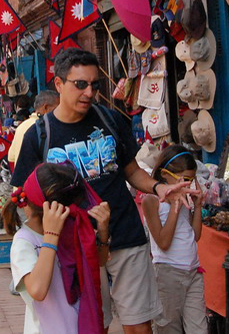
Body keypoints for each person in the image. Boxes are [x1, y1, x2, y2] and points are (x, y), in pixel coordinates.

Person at [11, 49, 193, 333]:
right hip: (77, 248)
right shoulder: (38, 135)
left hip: (125, 234)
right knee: (94, 325)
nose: (89, 92)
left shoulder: (110, 120)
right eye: (80, 84)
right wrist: (43, 240)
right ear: (58, 84)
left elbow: (131, 171)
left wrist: (159, 188)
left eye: (94, 85)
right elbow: (26, 194)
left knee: (139, 327)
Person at [4, 163, 111, 334]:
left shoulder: (72, 227)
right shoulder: (25, 241)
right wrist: (51, 236)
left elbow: (99, 261)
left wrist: (103, 232)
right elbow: (37, 291)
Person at [142, 146, 206, 334]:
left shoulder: (185, 198)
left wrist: (198, 206)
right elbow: (163, 242)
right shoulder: (151, 201)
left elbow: (195, 236)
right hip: (168, 273)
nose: (188, 185)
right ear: (165, 175)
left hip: (193, 271)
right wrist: (175, 206)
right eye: (185, 180)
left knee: (199, 329)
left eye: (191, 180)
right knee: (169, 328)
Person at [8, 91, 60, 169]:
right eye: (58, 108)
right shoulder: (47, 128)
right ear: (46, 108)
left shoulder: (21, 126)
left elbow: (11, 157)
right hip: (38, 178)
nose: (60, 112)